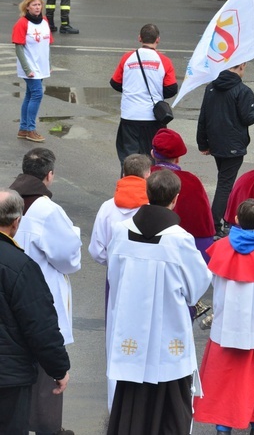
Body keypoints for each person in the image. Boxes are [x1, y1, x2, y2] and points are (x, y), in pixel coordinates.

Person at [105, 169, 212, 435]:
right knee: (170, 402)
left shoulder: (120, 232)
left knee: (132, 398)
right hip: (168, 331)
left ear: (147, 195)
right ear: (175, 199)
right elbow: (196, 287)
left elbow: (114, 278)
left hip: (131, 328)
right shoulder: (180, 239)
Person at [194, 199, 254, 435]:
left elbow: (211, 282)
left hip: (226, 328)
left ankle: (223, 427)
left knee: (225, 383)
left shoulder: (220, 250)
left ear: (236, 220)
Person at [9, 148, 81, 435]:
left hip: (9, 292)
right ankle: (47, 427)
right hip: (41, 296)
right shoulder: (46, 210)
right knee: (44, 372)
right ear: (49, 175)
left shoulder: (7, 199)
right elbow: (67, 258)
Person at [0, 188, 71, 435]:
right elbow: (40, 325)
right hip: (8, 379)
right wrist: (58, 368)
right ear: (16, 222)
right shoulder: (20, 266)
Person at [88, 153, 151, 411]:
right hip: (148, 281)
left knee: (117, 339)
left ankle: (116, 406)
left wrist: (114, 262)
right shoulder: (152, 209)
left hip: (117, 281)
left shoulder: (107, 207)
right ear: (147, 176)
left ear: (123, 174)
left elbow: (95, 249)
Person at [197, 62, 254, 236]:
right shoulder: (243, 91)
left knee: (224, 181)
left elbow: (203, 116)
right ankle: (214, 224)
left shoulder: (211, 87)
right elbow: (248, 118)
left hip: (215, 142)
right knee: (225, 185)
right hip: (234, 145)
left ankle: (222, 220)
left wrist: (203, 143)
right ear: (242, 65)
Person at [110, 24, 178, 168]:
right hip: (153, 118)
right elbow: (171, 89)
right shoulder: (164, 61)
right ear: (158, 40)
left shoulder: (127, 58)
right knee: (152, 157)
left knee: (129, 159)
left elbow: (115, 83)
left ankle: (129, 185)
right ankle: (151, 187)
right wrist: (156, 93)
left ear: (139, 38)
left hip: (130, 115)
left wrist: (131, 89)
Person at [152, 128, 215, 252]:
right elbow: (203, 225)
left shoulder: (144, 177)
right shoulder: (192, 182)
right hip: (184, 249)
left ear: (153, 154)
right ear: (178, 158)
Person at [13, 0, 53, 143]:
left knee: (30, 95)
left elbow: (47, 43)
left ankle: (23, 129)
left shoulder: (44, 21)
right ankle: (30, 129)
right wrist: (27, 68)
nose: (37, 7)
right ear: (27, 7)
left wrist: (49, 63)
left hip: (41, 66)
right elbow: (18, 48)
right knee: (37, 94)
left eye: (39, 4)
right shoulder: (22, 23)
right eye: (34, 5)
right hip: (29, 67)